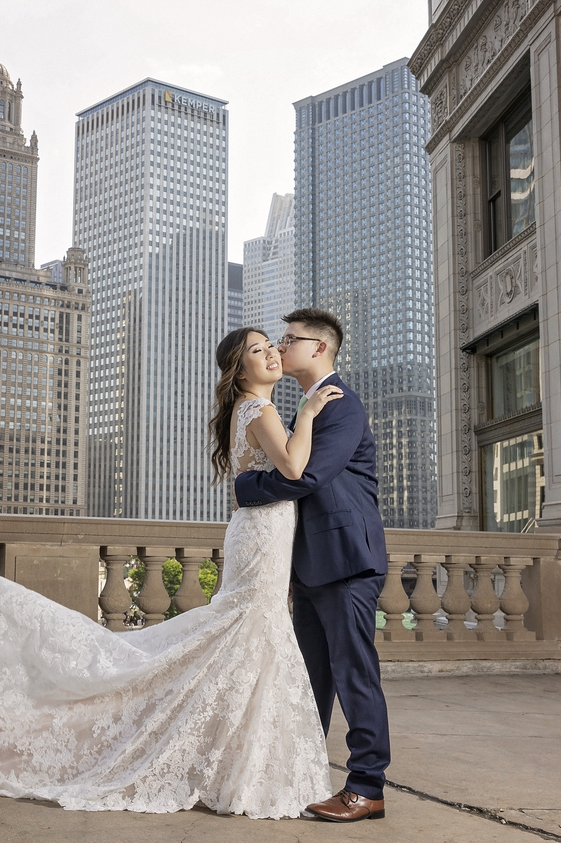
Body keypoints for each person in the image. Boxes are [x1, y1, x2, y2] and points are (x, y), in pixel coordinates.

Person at [0, 327, 342, 819]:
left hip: (259, 532)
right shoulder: (260, 410)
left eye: (271, 344)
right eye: (257, 349)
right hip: (262, 533)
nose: (271, 351)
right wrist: (312, 412)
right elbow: (295, 469)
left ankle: (236, 762)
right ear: (239, 369)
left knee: (245, 632)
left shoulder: (252, 409)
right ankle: (242, 766)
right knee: (249, 629)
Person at [234, 308, 391, 823]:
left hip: (345, 560)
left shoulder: (339, 404)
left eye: (289, 340)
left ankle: (367, 787)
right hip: (309, 564)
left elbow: (308, 477)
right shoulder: (304, 404)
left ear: (319, 348)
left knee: (354, 675)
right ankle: (302, 774)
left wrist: (245, 487)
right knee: (310, 680)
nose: (280, 348)